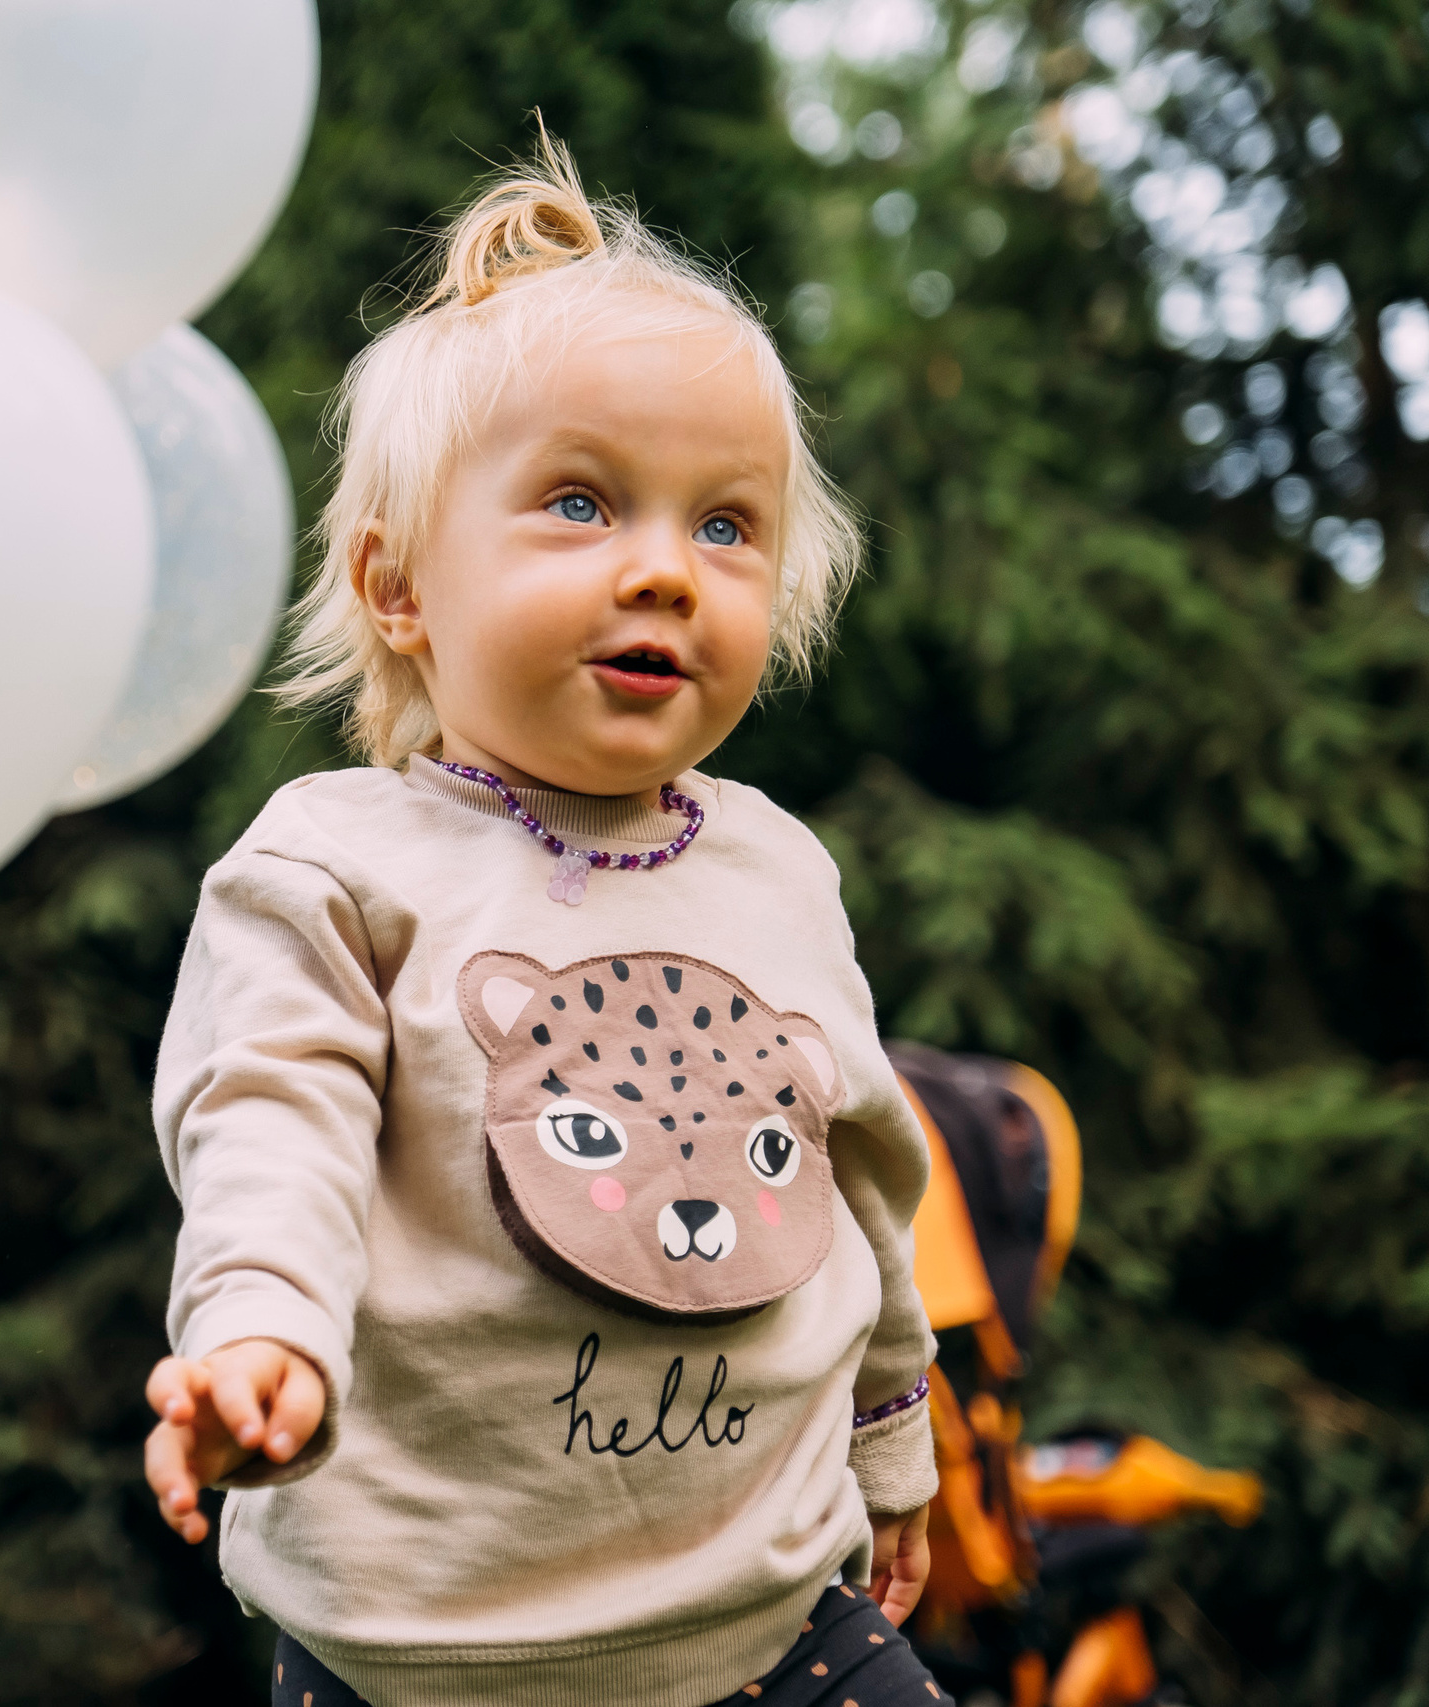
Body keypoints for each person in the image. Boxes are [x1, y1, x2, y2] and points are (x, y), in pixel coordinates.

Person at [143, 138, 944, 1707]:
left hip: (769, 1625)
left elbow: (862, 1173)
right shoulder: (331, 866)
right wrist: (260, 1334)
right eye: (580, 504)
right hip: (421, 1658)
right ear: (397, 587)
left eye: (726, 527)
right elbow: (269, 1120)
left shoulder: (779, 869)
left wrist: (886, 1428)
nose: (663, 571)